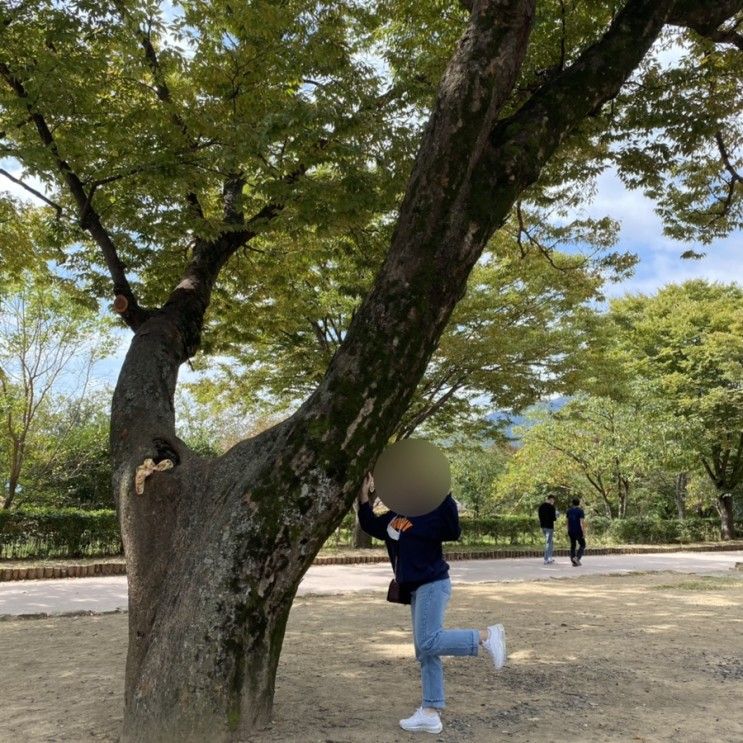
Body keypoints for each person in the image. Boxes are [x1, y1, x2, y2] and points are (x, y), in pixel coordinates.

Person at [357, 472, 506, 735]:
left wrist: (444, 493)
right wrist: (363, 494)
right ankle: (430, 712)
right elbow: (369, 524)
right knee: (425, 652)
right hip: (415, 589)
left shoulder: (431, 511)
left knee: (428, 641)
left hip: (433, 584)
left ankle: (486, 635)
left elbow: (453, 530)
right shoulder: (394, 516)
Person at [566, 497, 586, 566]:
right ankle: (577, 558)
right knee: (583, 544)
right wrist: (583, 532)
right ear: (579, 503)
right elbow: (581, 522)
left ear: (572, 503)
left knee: (573, 545)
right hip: (578, 531)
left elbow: (567, 522)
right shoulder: (580, 511)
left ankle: (573, 560)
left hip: (571, 530)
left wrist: (568, 529)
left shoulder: (569, 511)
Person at [537, 495, 557, 564]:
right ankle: (546, 559)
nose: (553, 502)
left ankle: (550, 557)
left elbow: (539, 516)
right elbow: (554, 518)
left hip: (543, 526)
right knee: (548, 542)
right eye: (553, 500)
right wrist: (556, 515)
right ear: (551, 499)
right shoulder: (552, 507)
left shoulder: (541, 506)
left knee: (550, 542)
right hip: (549, 527)